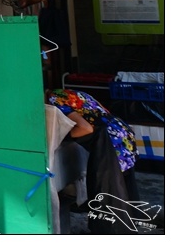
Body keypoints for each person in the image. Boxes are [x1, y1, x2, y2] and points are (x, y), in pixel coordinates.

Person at [46, 88, 139, 233]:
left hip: (108, 141)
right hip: (123, 134)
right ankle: (130, 223)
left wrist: (62, 137)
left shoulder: (54, 99)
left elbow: (86, 128)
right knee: (123, 186)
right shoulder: (70, 93)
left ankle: (111, 232)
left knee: (106, 188)